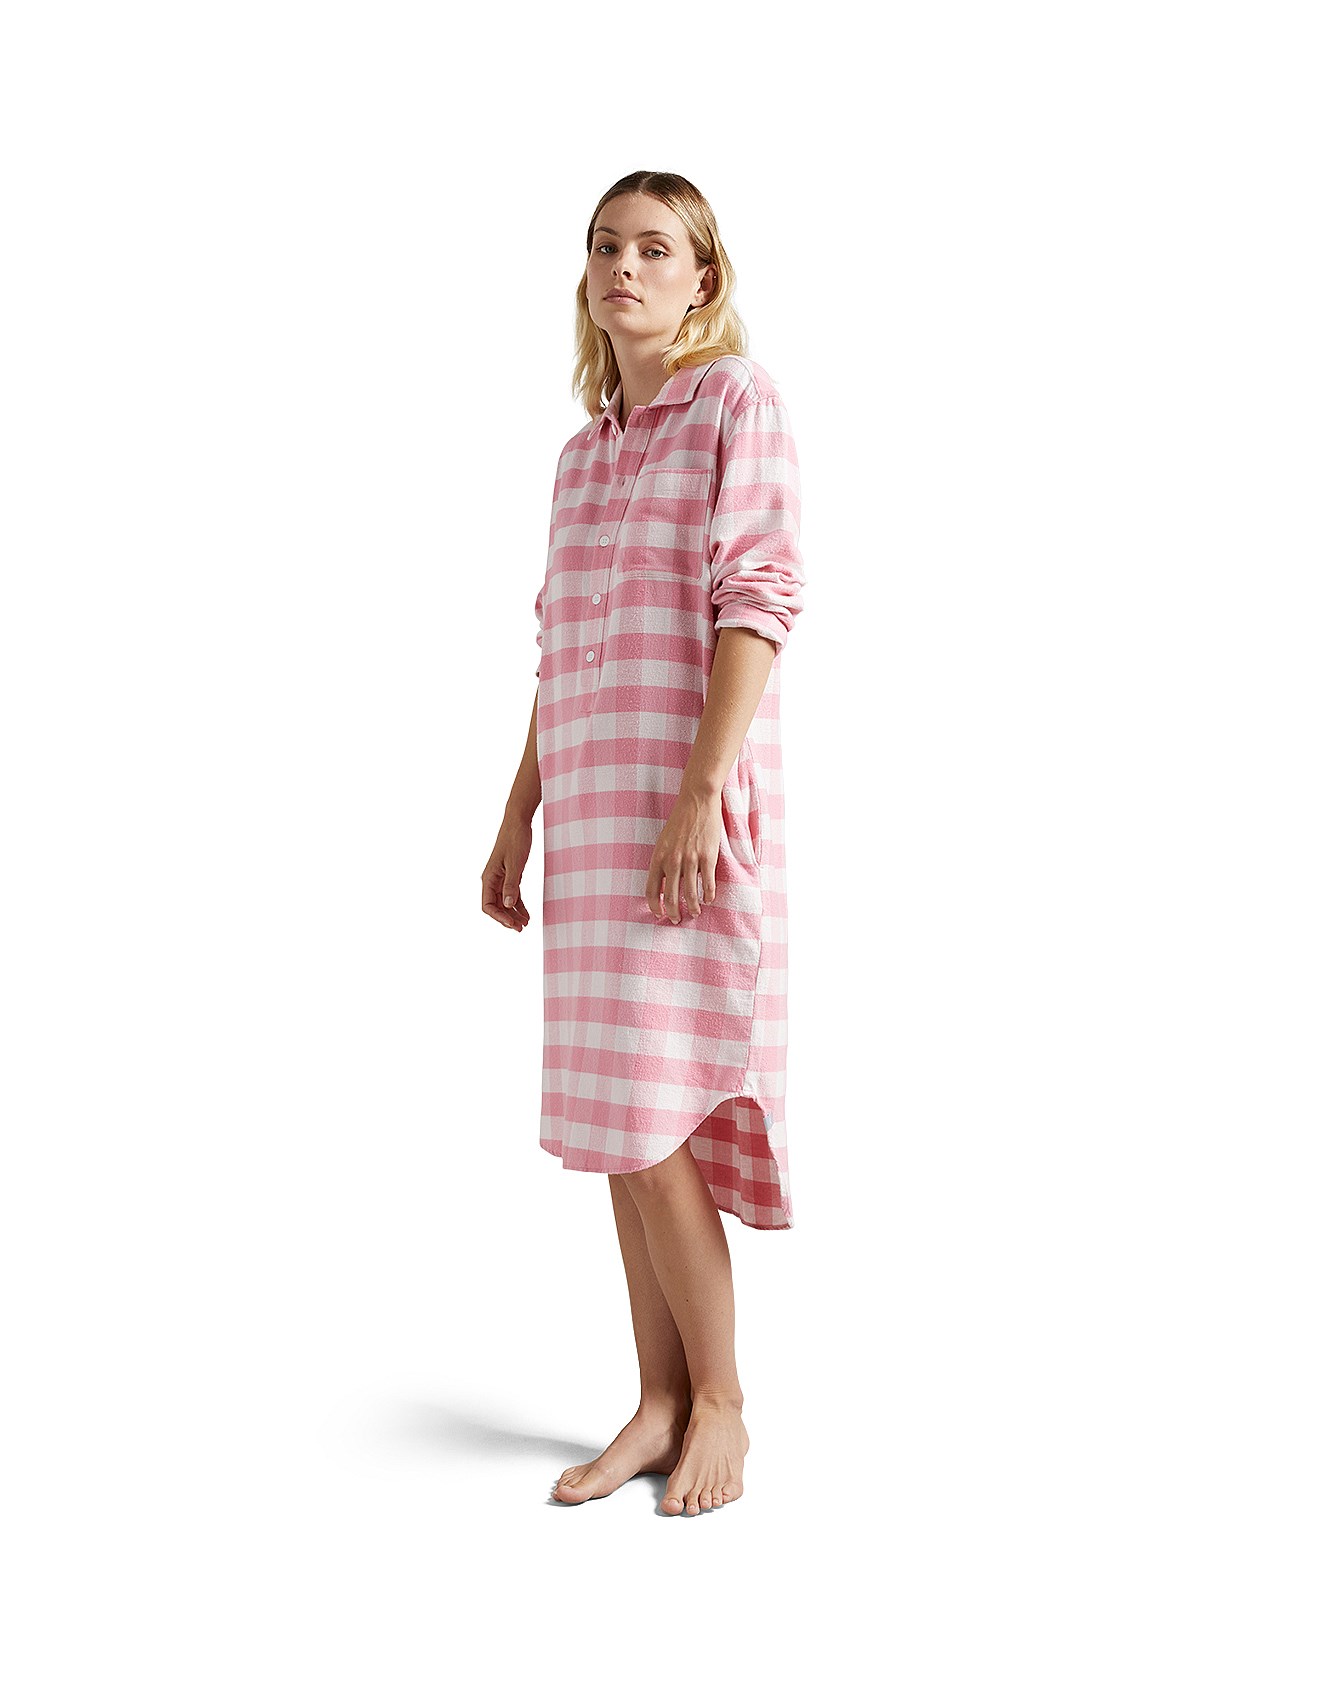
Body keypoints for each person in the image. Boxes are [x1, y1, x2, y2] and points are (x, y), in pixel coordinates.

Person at [482, 171, 806, 1515]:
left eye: (656, 249)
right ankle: (658, 1401)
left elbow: (760, 597)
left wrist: (700, 789)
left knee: (662, 1110)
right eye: (607, 246)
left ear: (702, 278)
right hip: (592, 817)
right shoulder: (582, 458)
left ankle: (721, 1401)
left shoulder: (735, 403)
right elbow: (561, 650)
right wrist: (520, 811)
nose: (625, 266)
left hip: (682, 818)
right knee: (623, 1122)